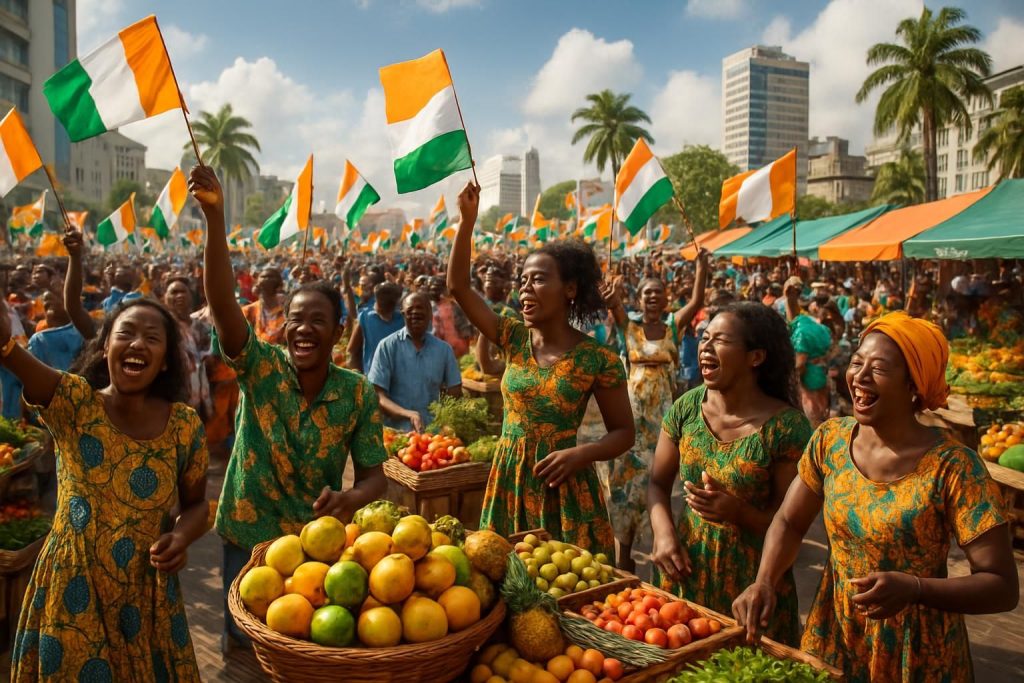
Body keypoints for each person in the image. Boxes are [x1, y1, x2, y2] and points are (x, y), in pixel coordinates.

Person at [732, 312, 1019, 680]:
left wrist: (915, 589)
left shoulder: (953, 467)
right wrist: (765, 581)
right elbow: (789, 521)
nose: (860, 377)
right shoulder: (830, 441)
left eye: (879, 368)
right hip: (835, 635)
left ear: (914, 385)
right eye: (856, 363)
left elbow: (1001, 586)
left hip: (917, 653)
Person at [189, 166, 387, 648]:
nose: (303, 329)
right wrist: (216, 220)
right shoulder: (260, 368)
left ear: (338, 333)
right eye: (296, 319)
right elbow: (221, 300)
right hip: (247, 531)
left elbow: (374, 477)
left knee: (300, 645)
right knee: (242, 642)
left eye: (317, 321)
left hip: (312, 544)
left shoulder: (357, 392)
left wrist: (351, 500)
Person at [0, 289, 208, 681]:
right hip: (72, 593)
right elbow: (11, 355)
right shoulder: (74, 403)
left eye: (152, 337)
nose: (137, 344)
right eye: (126, 333)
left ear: (165, 362)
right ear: (105, 348)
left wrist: (180, 538)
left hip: (146, 598)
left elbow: (197, 506)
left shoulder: (183, 425)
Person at [447, 182, 634, 557]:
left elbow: (624, 433)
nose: (525, 290)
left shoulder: (598, 359)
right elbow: (459, 288)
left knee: (568, 590)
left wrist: (581, 454)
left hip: (565, 487)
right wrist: (466, 222)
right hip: (509, 482)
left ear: (569, 289)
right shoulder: (512, 336)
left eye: (538, 279)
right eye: (523, 281)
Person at [648, 302, 812, 644]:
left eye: (720, 340)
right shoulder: (685, 409)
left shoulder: (787, 428)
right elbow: (657, 485)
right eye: (704, 338)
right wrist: (663, 535)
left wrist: (738, 512)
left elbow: (792, 523)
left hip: (753, 590)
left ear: (755, 357)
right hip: (685, 577)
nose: (705, 347)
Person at [600, 250, 709, 571]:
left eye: (658, 293)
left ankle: (660, 553)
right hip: (629, 419)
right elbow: (614, 306)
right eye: (647, 293)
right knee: (624, 485)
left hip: (662, 421)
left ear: (665, 300)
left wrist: (701, 267)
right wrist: (612, 296)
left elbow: (697, 299)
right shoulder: (628, 328)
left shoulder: (674, 327)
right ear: (640, 298)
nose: (652, 297)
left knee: (656, 483)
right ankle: (624, 556)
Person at [368, 292, 462, 432]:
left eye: (420, 308)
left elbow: (455, 390)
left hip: (433, 436)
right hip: (396, 434)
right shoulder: (387, 346)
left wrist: (445, 418)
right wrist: (407, 414)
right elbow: (378, 395)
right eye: (410, 310)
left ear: (430, 313)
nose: (415, 312)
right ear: (403, 314)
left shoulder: (444, 350)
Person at [347, 282, 405, 374]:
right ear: (376, 298)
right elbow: (352, 350)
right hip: (373, 377)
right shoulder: (365, 317)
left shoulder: (402, 319)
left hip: (399, 375)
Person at [27, 290, 83, 372]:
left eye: (52, 300)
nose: (48, 304)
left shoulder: (39, 339)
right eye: (46, 304)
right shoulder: (40, 334)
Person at [241, 266, 285, 345]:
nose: (266, 279)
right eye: (263, 277)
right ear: (258, 283)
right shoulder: (249, 310)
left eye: (270, 277)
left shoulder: (286, 309)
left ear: (279, 283)